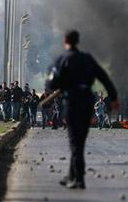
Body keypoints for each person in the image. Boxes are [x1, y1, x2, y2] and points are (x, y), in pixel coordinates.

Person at [46, 30, 118, 189]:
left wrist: (61, 85)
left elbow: (51, 84)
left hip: (72, 102)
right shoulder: (87, 59)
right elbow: (104, 77)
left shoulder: (62, 59)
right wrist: (113, 98)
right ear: (78, 41)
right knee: (80, 141)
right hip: (87, 100)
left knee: (75, 141)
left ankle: (79, 178)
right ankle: (72, 174)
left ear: (65, 40)